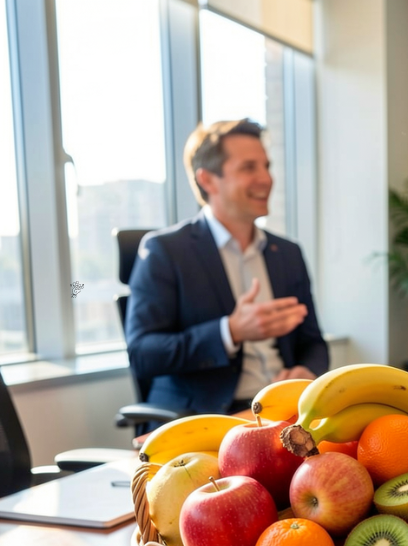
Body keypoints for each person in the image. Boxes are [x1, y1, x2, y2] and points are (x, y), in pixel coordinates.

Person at [125, 119, 329, 416]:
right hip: (208, 417)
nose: (266, 179)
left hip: (283, 411)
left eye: (266, 166)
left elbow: (314, 343)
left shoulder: (287, 253)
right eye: (249, 168)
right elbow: (143, 353)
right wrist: (230, 331)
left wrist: (306, 371)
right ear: (208, 180)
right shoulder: (166, 251)